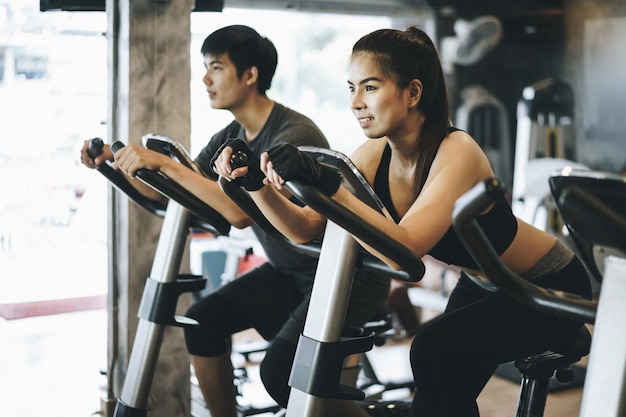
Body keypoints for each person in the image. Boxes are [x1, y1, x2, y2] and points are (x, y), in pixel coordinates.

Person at [212, 26, 592, 417]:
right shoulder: (376, 153)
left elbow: (406, 248)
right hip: (483, 283)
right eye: (351, 88)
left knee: (433, 352)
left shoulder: (455, 150)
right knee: (433, 392)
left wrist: (329, 184)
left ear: (413, 92)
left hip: (548, 287)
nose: (356, 102)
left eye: (370, 87)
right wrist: (256, 186)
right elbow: (305, 227)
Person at [80, 24, 389, 417]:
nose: (206, 78)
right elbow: (185, 194)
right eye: (205, 67)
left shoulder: (293, 132)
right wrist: (118, 165)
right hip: (290, 269)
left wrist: (161, 162)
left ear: (250, 75)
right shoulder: (231, 134)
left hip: (342, 276)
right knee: (203, 322)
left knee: (283, 377)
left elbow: (241, 211)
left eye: (216, 67)